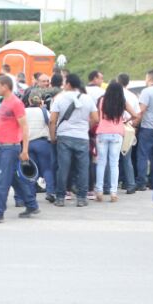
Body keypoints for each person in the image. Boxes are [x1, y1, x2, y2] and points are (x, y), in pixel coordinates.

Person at [0, 75, 38, 225]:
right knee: (13, 178)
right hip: (0, 146)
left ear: (5, 87)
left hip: (10, 147)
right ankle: (32, 205)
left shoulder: (16, 103)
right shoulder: (3, 103)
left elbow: (25, 127)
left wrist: (25, 149)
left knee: (2, 180)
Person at [49, 72, 94, 207]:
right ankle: (81, 198)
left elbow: (52, 120)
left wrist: (53, 137)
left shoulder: (59, 98)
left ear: (68, 84)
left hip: (64, 137)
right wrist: (85, 128)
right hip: (82, 137)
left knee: (63, 167)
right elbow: (96, 118)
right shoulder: (87, 99)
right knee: (82, 168)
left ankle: (61, 198)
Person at [93, 81, 129, 202]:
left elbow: (98, 116)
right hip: (117, 133)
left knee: (101, 162)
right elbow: (136, 114)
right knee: (114, 164)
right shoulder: (122, 102)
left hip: (102, 132)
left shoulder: (102, 100)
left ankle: (99, 191)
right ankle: (113, 193)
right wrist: (126, 120)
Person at [24, 90, 56, 202]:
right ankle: (50, 192)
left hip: (28, 143)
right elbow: (50, 123)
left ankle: (31, 194)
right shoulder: (44, 111)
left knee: (32, 170)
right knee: (47, 168)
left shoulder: (23, 112)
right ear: (40, 101)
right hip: (42, 143)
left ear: (29, 100)